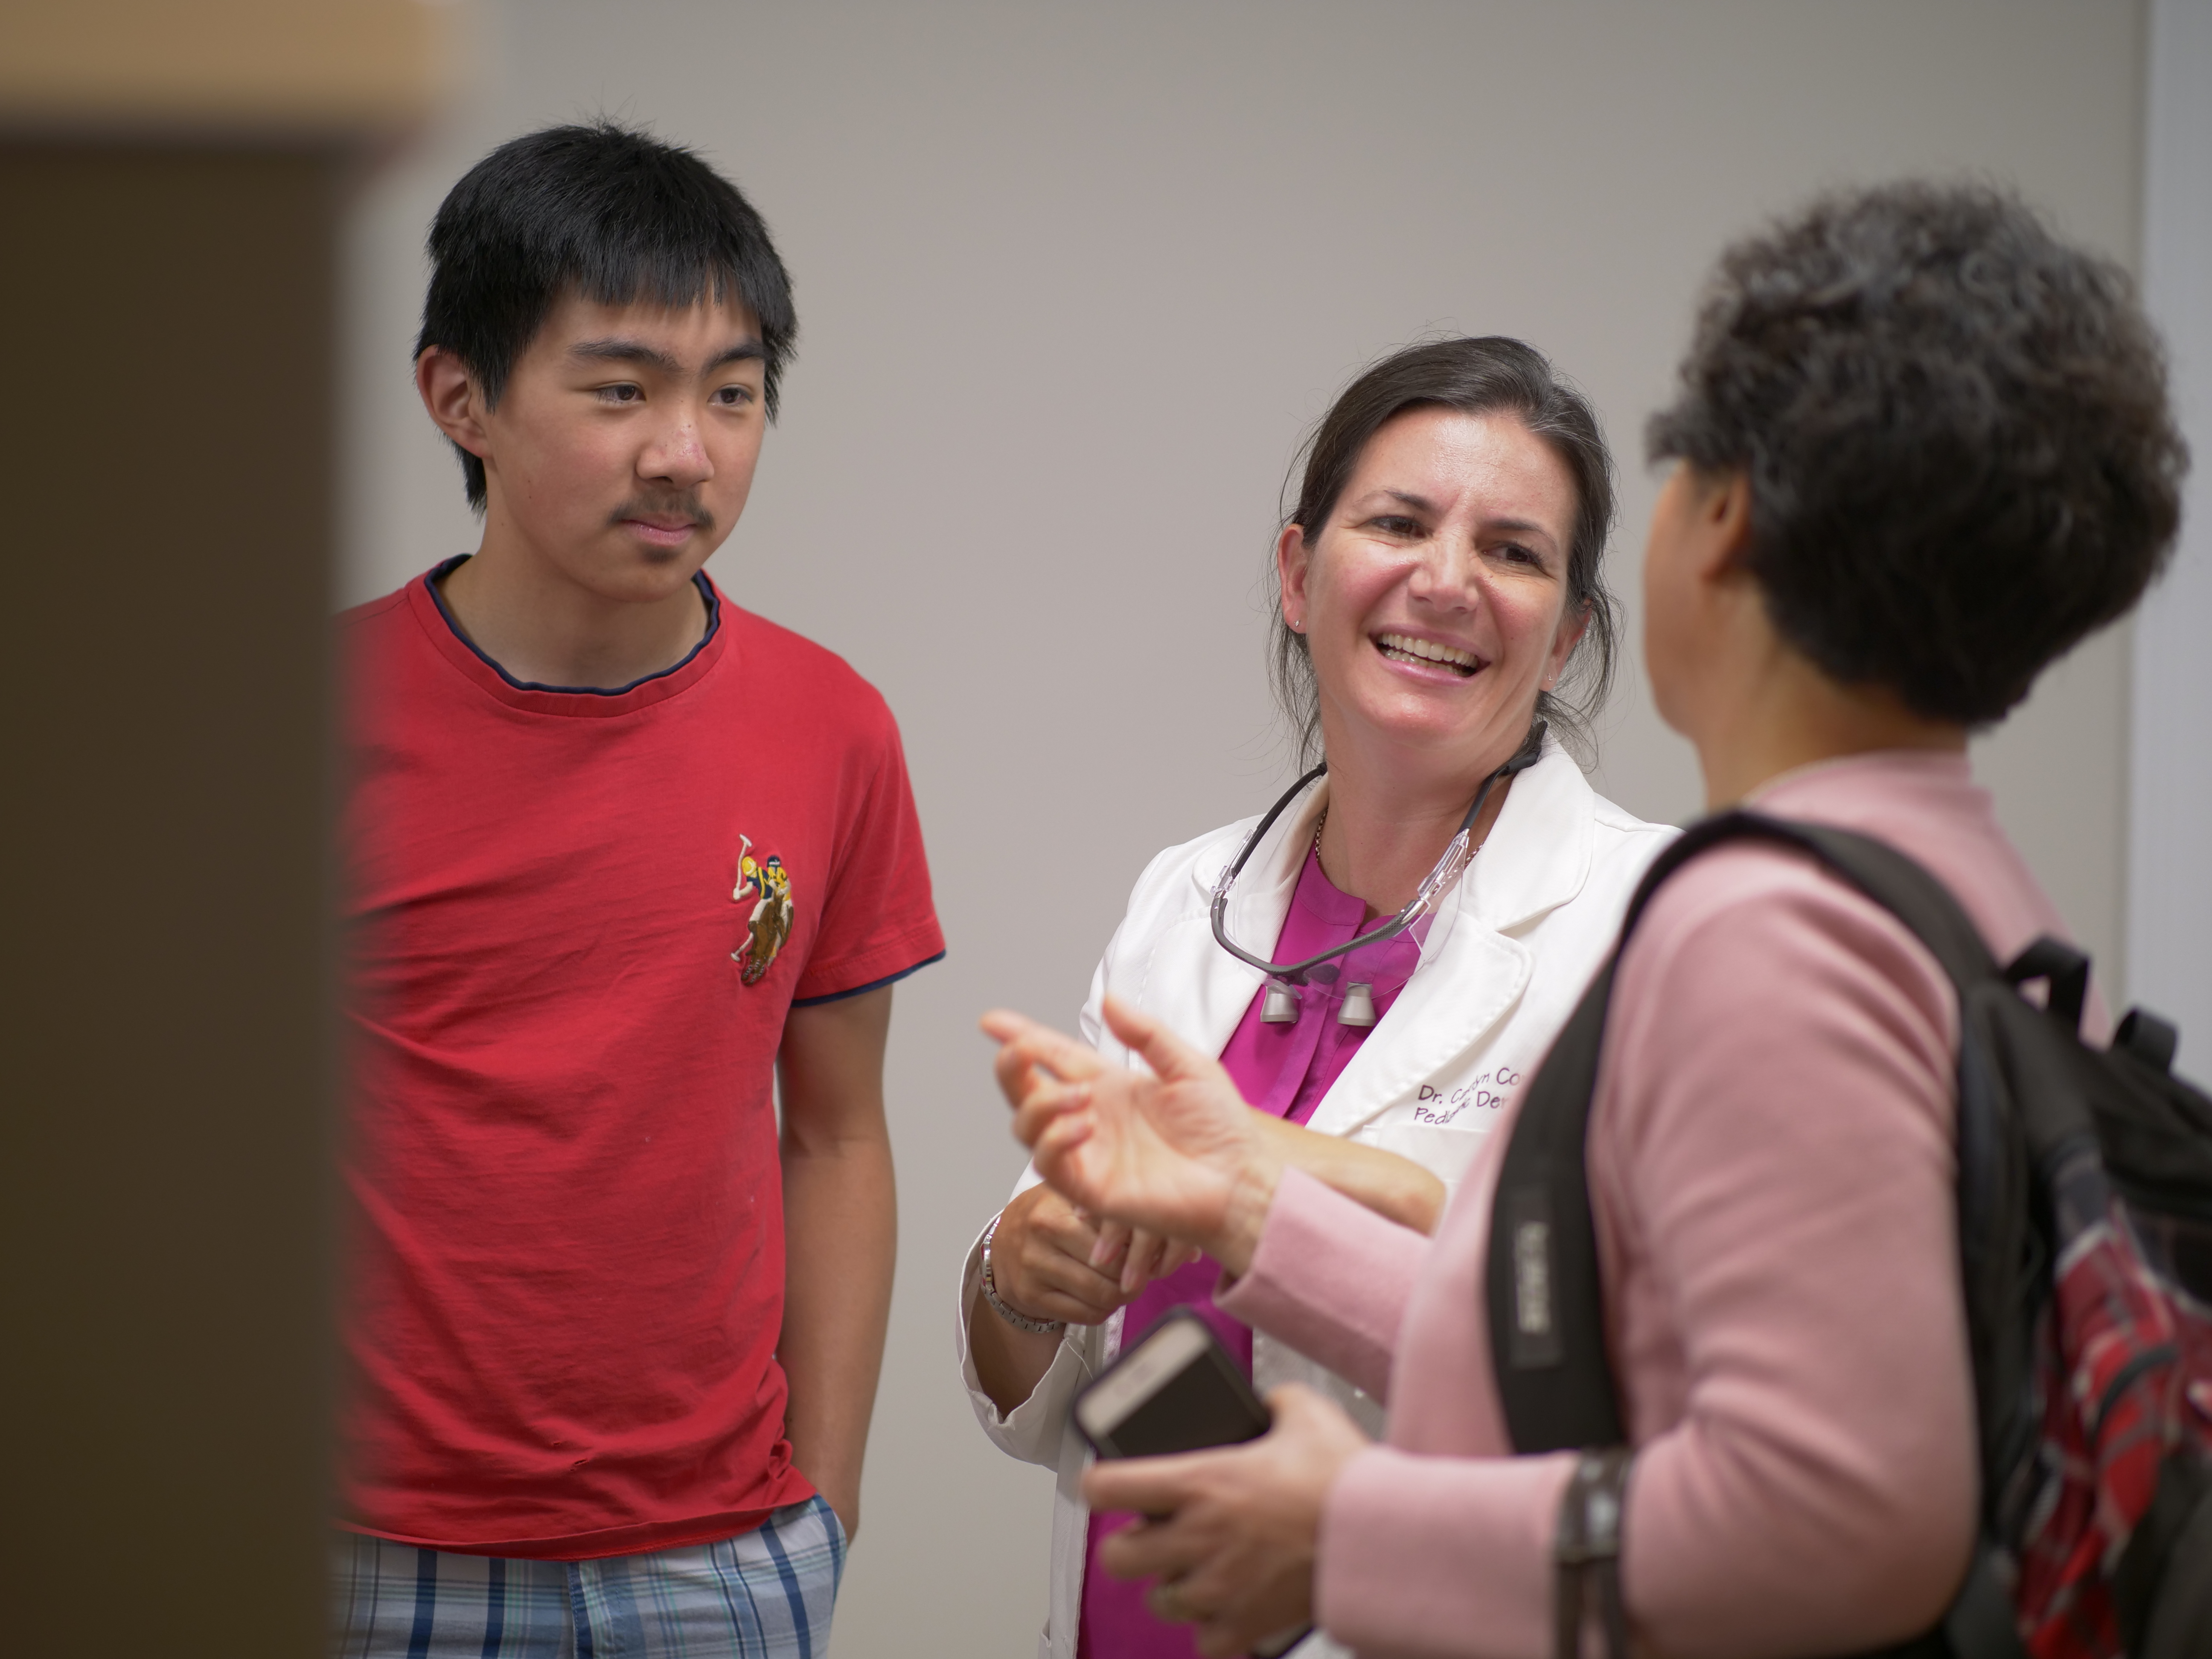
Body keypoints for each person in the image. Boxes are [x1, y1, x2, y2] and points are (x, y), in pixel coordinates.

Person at [985, 181, 2187, 1658]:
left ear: (1723, 524)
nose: (1452, 580)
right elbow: (1613, 1374)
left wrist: (1350, 1535)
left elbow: (1840, 1516)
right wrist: (1248, 1204)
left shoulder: (1770, 933)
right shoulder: (1961, 897)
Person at [956, 338, 1677, 1659]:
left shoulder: (1652, 923)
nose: (1446, 582)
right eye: (1399, 523)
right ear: (1301, 575)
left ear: (1568, 630)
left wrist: (1269, 1180)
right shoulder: (1189, 898)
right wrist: (1019, 1277)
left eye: (1514, 551)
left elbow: (1638, 1371)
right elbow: (1048, 1398)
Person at [335, 123, 944, 1658]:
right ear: (457, 395)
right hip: (364, 1546)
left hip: (726, 1558)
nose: (687, 449)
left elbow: (841, 1128)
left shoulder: (832, 726)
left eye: (732, 394)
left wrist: (829, 1504)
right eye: (621, 390)